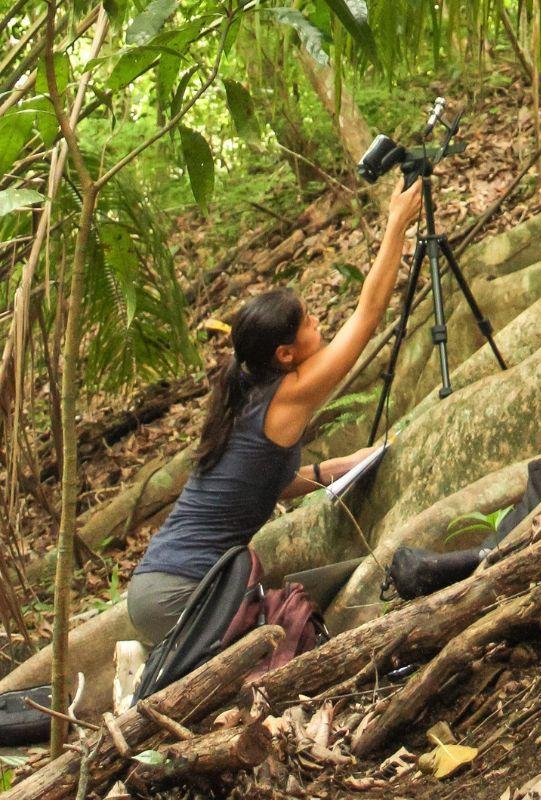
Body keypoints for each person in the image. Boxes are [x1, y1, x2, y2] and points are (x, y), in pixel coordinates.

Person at [127, 177, 425, 645]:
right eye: (309, 321)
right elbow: (368, 314)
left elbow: (267, 483)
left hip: (156, 587)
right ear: (285, 354)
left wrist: (338, 468)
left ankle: (158, 662)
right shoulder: (287, 394)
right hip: (180, 594)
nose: (318, 321)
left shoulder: (247, 393)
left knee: (313, 594)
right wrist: (396, 226)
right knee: (299, 619)